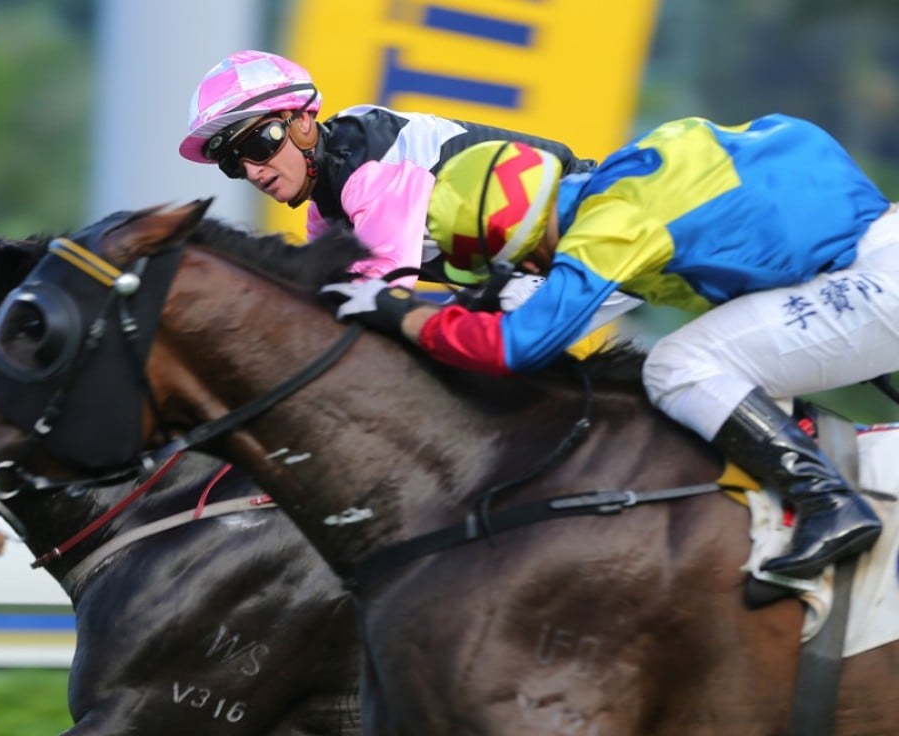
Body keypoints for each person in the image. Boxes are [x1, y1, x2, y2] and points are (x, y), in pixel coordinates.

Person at [322, 113, 899, 580]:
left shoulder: (606, 228)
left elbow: (517, 349)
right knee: (731, 343)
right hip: (873, 246)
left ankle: (826, 500)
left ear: (514, 240)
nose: (526, 271)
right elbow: (799, 139)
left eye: (514, 263)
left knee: (678, 366)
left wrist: (402, 316)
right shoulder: (634, 167)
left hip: (873, 283)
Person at [178, 49, 598, 286]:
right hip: (542, 268)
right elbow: (318, 291)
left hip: (594, 224)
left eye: (259, 142)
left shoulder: (366, 169)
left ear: (303, 119)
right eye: (234, 163)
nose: (253, 170)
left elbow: (382, 290)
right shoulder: (327, 207)